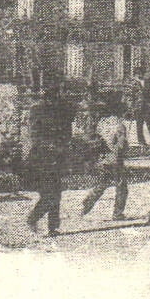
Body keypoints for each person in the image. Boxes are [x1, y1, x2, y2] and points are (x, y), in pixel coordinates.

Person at [25, 86, 74, 237]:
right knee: (50, 194)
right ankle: (33, 218)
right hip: (42, 159)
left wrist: (63, 146)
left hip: (56, 157)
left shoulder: (60, 111)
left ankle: (53, 227)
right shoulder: (37, 110)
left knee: (56, 193)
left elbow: (66, 133)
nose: (56, 101)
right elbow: (34, 135)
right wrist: (49, 145)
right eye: (53, 98)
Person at [80, 100, 131, 220]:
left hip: (103, 159)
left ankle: (88, 201)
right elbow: (121, 146)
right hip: (115, 160)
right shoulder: (120, 125)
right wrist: (124, 148)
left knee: (103, 182)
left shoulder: (102, 124)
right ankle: (117, 213)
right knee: (121, 187)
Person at [131, 74, 150, 148]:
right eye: (139, 72)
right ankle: (141, 142)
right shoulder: (133, 83)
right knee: (139, 125)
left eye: (142, 72)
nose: (141, 74)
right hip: (138, 107)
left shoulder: (148, 82)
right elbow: (130, 96)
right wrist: (132, 106)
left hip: (148, 106)